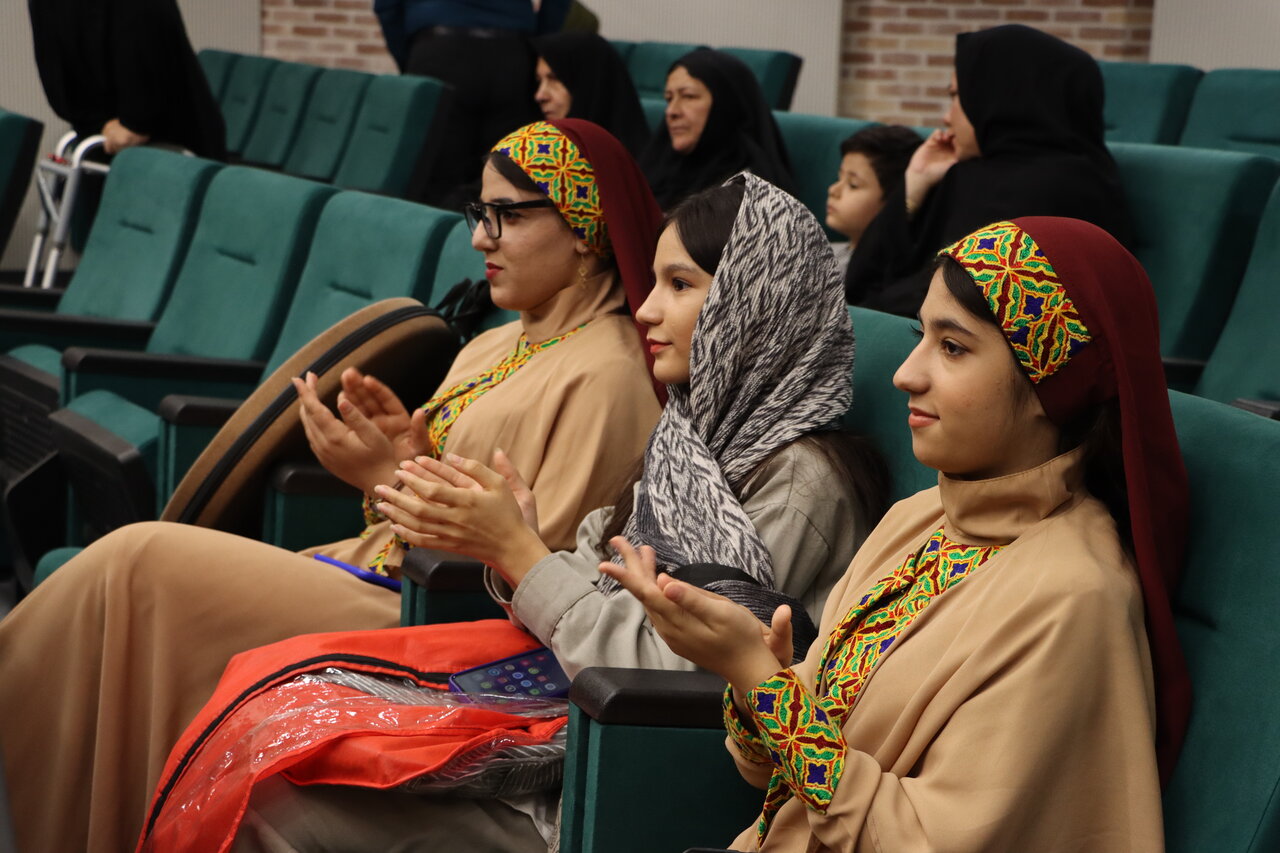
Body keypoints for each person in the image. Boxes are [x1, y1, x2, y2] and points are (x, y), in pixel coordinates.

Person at [165, 173, 888, 852]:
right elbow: (601, 566)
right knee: (276, 715)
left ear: (754, 305)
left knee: (274, 795)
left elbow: (672, 670)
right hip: (570, 712)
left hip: (615, 777)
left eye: (680, 284)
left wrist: (519, 551)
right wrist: (516, 539)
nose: (646, 309)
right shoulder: (693, 431)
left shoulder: (800, 481)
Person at [0, 118, 663, 853]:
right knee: (129, 584)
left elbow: (537, 577)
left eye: (508, 215)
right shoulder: (498, 339)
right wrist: (394, 463)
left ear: (585, 230)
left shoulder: (608, 374)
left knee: (139, 565)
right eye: (479, 213)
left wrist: (388, 481)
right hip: (379, 570)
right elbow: (444, 504)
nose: (481, 238)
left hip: (434, 621)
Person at [607, 216, 1191, 851]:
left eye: (954, 348)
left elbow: (919, 842)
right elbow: (769, 773)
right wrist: (757, 682)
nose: (906, 374)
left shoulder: (1073, 599)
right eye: (921, 336)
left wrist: (756, 678)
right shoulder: (920, 518)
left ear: (1051, 386)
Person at [844, 25, 1135, 318]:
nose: (946, 116)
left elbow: (956, 303)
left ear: (1001, 97)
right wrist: (914, 183)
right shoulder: (968, 173)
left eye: (957, 96)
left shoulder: (1064, 190)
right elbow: (858, 280)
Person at [374, 0, 571, 204]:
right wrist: (534, 47)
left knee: (433, 173)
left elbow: (386, 7)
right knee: (505, 170)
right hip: (511, 52)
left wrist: (412, 56)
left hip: (438, 48)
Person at [28, 0, 226, 159]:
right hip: (105, 136)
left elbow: (144, 34)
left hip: (164, 144)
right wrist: (98, 122)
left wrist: (135, 122)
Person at [641, 48, 794, 209]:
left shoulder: (748, 191)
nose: (671, 111)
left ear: (725, 106)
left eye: (689, 96)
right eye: (669, 99)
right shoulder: (659, 170)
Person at [532, 31, 650, 157]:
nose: (540, 96)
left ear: (588, 83)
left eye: (554, 79)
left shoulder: (631, 162)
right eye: (539, 81)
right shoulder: (537, 151)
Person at [825, 125, 921, 275]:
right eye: (839, 178)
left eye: (853, 185)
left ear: (892, 202)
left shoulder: (883, 277)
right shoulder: (821, 252)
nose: (833, 190)